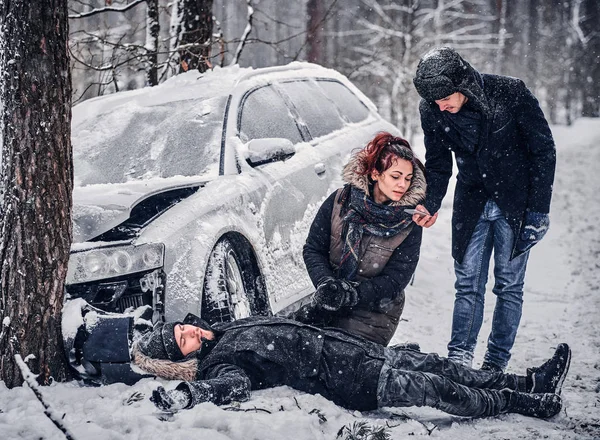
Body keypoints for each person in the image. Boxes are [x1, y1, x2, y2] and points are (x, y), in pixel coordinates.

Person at [412, 47, 556, 372]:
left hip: (515, 204)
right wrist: (430, 201)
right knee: (468, 283)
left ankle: (495, 363)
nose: (441, 107)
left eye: (446, 98)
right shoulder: (432, 110)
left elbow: (543, 150)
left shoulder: (509, 92)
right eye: (434, 102)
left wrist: (538, 212)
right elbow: (437, 163)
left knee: (508, 285)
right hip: (471, 202)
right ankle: (459, 360)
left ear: (462, 84)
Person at [131, 314, 571, 420]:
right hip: (354, 379)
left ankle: (528, 379)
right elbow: (233, 385)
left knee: (442, 365)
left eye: (180, 329)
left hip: (356, 350)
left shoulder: (228, 327)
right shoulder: (218, 363)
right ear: (181, 358)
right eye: (178, 343)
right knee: (441, 390)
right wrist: (192, 393)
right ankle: (521, 401)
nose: (186, 334)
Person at [296, 131, 426, 345]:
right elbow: (313, 249)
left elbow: (395, 280)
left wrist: (352, 294)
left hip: (373, 315)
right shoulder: (340, 200)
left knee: (340, 356)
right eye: (396, 176)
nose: (403, 185)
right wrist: (327, 284)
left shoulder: (409, 223)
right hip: (329, 303)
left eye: (408, 179)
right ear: (375, 173)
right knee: (295, 348)